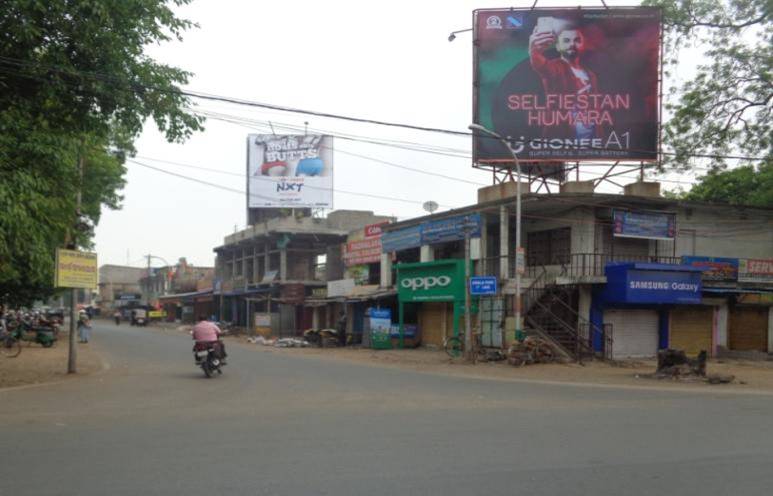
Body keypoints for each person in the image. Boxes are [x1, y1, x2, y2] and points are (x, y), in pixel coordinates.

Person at [529, 21, 601, 140]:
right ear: (557, 46)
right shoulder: (554, 67)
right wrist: (534, 51)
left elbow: (596, 108)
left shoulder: (590, 74)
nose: (572, 44)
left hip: (591, 139)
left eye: (577, 40)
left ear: (584, 44)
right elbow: (539, 63)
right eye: (566, 40)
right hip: (562, 137)